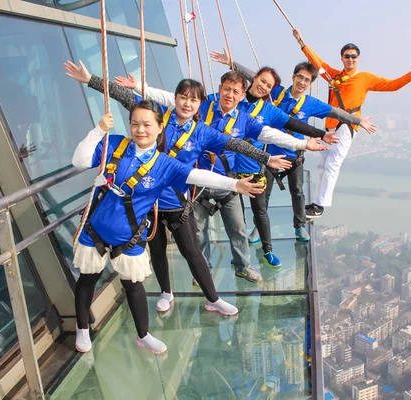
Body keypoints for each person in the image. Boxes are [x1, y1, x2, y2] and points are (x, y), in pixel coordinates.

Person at [64, 61, 290, 309]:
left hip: (175, 202)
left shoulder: (202, 132)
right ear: (176, 98)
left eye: (193, 100)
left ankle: (213, 299)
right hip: (147, 200)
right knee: (157, 249)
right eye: (183, 97)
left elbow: (234, 144)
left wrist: (266, 158)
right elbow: (126, 98)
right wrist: (90, 80)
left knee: (192, 251)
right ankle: (166, 293)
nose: (187, 104)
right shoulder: (159, 116)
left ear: (199, 104)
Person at [71, 101, 266, 354]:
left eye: (147, 124)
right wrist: (98, 131)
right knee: (88, 279)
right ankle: (82, 327)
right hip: (95, 229)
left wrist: (234, 185)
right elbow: (79, 161)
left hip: (127, 236)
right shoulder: (116, 145)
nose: (140, 129)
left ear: (160, 127)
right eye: (134, 124)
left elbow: (198, 177)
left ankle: (144, 334)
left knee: (133, 285)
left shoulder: (164, 164)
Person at [111, 70, 328, 282]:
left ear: (243, 95)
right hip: (198, 183)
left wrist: (301, 143)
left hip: (227, 181)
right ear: (220, 89)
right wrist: (142, 88)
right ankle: (204, 270)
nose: (230, 95)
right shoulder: (202, 106)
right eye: (226, 89)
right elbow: (171, 99)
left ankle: (243, 266)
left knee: (238, 228)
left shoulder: (244, 120)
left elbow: (269, 134)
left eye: (235, 91)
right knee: (199, 232)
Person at [210, 50, 377, 245]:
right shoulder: (277, 92)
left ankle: (299, 226)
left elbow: (336, 112)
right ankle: (259, 228)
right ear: (293, 77)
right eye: (300, 77)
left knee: (297, 191)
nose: (302, 82)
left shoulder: (310, 103)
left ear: (310, 83)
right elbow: (254, 78)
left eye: (307, 80)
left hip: (294, 154)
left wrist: (357, 121)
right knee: (263, 196)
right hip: (271, 154)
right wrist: (231, 62)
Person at [293, 28, 411, 218]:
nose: (350, 59)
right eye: (347, 56)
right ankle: (316, 203)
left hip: (347, 126)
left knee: (332, 164)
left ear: (358, 58)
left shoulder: (365, 78)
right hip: (329, 126)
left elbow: (392, 85)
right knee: (322, 166)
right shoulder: (335, 76)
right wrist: (302, 43)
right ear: (342, 58)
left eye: (354, 56)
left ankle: (320, 206)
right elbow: (318, 62)